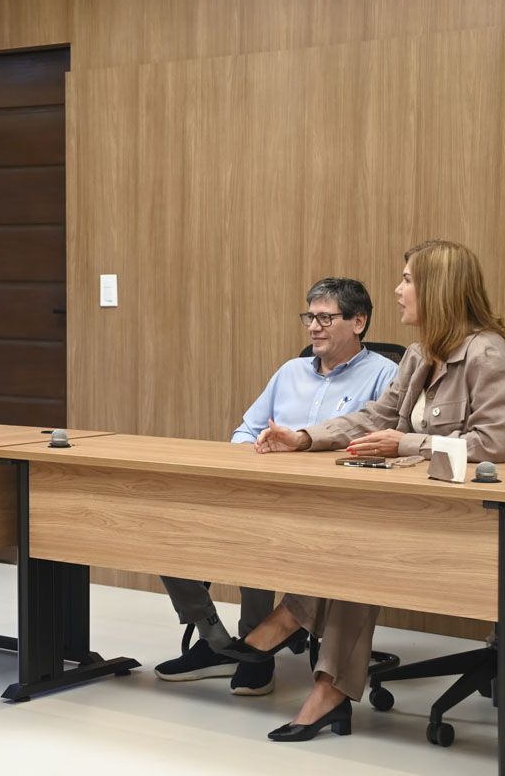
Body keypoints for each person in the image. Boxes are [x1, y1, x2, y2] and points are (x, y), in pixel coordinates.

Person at [230, 239, 505, 742]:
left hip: (485, 520)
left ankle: (292, 632)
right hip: (430, 508)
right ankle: (326, 687)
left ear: (440, 289)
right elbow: (375, 417)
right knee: (356, 537)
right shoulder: (420, 355)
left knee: (361, 545)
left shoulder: (488, 355)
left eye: (409, 279)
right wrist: (306, 437)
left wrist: (405, 441)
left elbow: (493, 446)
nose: (398, 289)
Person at [156, 278, 398, 696]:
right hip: (265, 489)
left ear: (359, 322)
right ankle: (214, 637)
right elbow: (245, 430)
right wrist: (252, 455)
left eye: (326, 317)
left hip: (333, 505)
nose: (314, 327)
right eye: (310, 317)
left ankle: (256, 645)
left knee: (260, 532)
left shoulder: (384, 375)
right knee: (164, 525)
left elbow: (383, 444)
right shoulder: (290, 372)